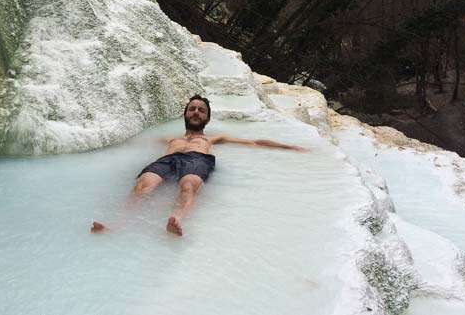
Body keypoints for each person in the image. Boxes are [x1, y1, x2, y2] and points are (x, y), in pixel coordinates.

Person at [91, 94, 307, 236]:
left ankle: (175, 220)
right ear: (185, 113)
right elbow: (131, 144)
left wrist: (291, 147)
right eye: (192, 108)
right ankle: (119, 224)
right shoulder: (169, 139)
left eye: (201, 110)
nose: (196, 112)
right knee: (144, 183)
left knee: (189, 184)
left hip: (197, 159)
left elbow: (255, 142)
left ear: (207, 118)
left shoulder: (212, 139)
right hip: (166, 160)